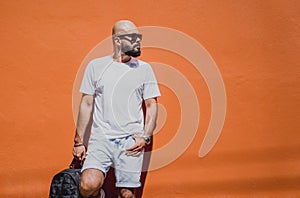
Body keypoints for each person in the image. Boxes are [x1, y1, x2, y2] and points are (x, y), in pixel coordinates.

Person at [72, 20, 160, 198]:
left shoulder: (144, 69)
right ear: (118, 40)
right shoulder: (96, 66)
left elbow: (152, 106)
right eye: (133, 37)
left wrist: (145, 137)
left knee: (126, 194)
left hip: (130, 141)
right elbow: (86, 104)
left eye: (139, 37)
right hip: (100, 139)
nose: (138, 41)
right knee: (88, 186)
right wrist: (78, 141)